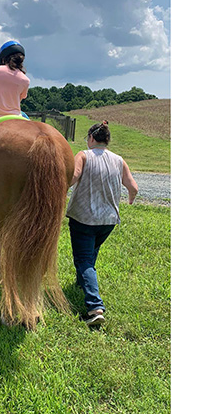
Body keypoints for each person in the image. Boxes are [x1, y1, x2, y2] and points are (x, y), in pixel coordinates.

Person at [65, 121, 139, 328]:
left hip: (84, 218)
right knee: (92, 250)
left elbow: (73, 176)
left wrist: (59, 189)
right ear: (107, 140)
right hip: (109, 220)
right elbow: (133, 186)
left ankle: (95, 307)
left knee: (84, 260)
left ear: (90, 138)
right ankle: (82, 283)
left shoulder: (83, 155)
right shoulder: (118, 160)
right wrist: (130, 198)